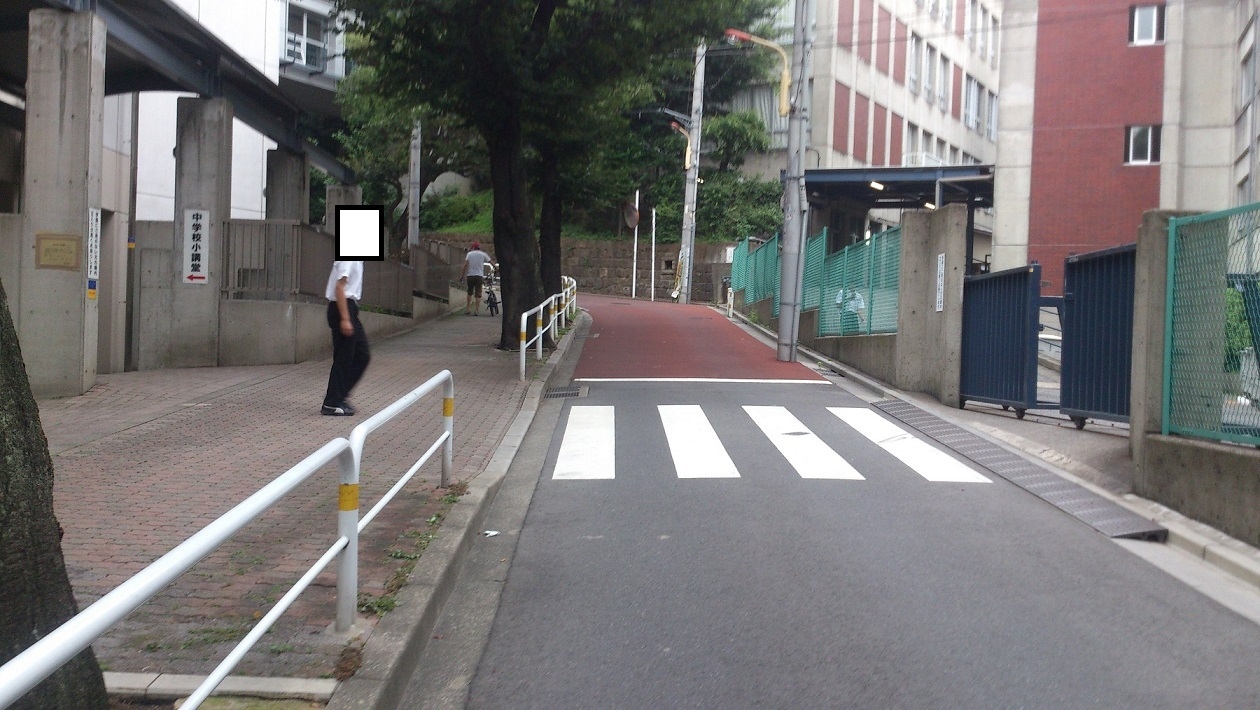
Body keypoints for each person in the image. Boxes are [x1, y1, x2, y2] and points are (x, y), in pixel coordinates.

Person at [322, 260, 370, 416]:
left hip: (350, 307)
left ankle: (338, 395)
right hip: (342, 307)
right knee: (344, 357)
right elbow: (339, 287)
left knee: (362, 355)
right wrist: (345, 318)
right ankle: (331, 403)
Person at [463, 241, 492, 315]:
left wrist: (462, 275)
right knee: (478, 294)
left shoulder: (469, 254)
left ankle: (468, 309)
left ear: (473, 247)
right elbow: (490, 261)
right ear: (479, 248)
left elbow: (465, 265)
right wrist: (496, 268)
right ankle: (476, 310)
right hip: (479, 276)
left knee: (469, 293)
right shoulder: (483, 254)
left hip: (470, 275)